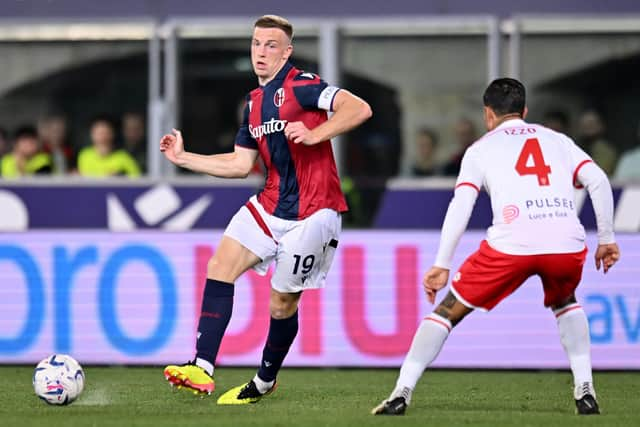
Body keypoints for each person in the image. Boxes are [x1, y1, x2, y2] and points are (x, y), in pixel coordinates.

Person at [372, 78, 619, 416]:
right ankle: (585, 388)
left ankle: (401, 392)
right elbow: (599, 180)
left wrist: (442, 263)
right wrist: (606, 239)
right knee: (566, 302)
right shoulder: (558, 140)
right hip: (565, 243)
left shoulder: (480, 149)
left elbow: (461, 205)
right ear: (525, 111)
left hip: (511, 244)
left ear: (488, 114)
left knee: (447, 311)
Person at [160, 15, 372, 405]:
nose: (261, 51)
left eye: (271, 45)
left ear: (287, 51)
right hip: (271, 203)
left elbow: (359, 109)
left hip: (314, 211)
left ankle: (263, 380)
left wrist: (315, 133)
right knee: (219, 266)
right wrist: (184, 157)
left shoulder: (302, 85)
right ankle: (201, 367)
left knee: (281, 304)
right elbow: (241, 166)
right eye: (257, 43)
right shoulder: (254, 103)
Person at [577, 110, 617, 176]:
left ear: (601, 127)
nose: (587, 129)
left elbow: (599, 174)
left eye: (591, 125)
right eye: (584, 126)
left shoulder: (607, 152)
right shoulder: (573, 149)